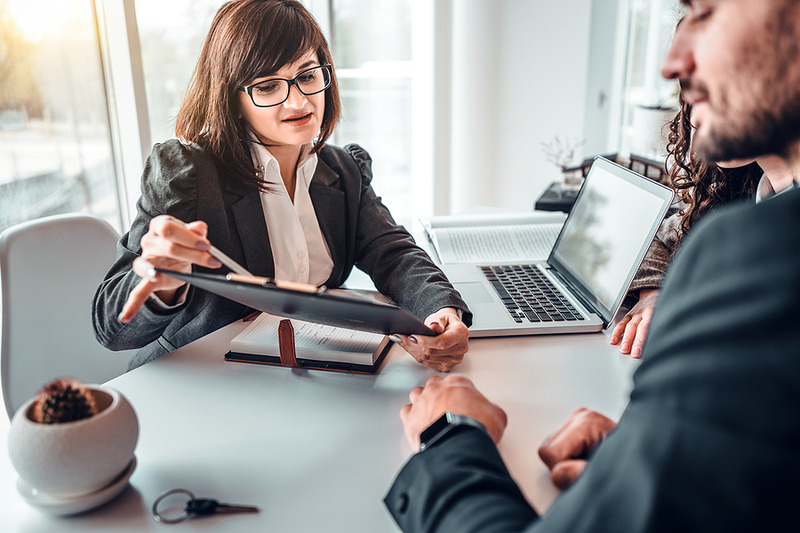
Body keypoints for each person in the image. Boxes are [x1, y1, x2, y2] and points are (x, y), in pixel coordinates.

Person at [385, 1, 800, 531]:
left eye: (708, 13)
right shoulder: (749, 204)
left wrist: (449, 437)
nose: (670, 62)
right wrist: (660, 457)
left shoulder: (760, 258)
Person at [92, 0, 471, 372]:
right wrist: (161, 281)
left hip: (301, 372)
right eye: (269, 86)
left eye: (307, 75)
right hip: (201, 379)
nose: (298, 101)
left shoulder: (342, 170)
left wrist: (440, 312)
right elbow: (111, 330)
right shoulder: (189, 173)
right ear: (231, 98)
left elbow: (394, 254)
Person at [610, 95, 796, 357]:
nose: (695, 118)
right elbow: (659, 234)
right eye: (693, 100)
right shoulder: (741, 190)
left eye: (713, 92)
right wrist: (653, 293)